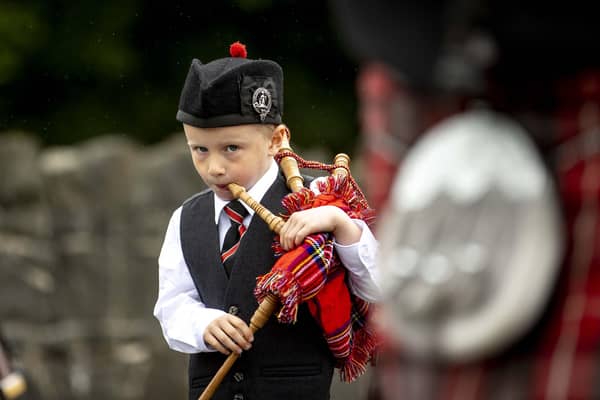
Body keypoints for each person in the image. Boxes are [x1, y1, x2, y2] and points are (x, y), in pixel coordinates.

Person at [153, 42, 379, 400]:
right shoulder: (185, 219)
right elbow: (172, 306)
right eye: (200, 150)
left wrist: (341, 224)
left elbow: (380, 287)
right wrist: (203, 324)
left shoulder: (316, 201)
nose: (214, 168)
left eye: (231, 149)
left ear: (276, 140)